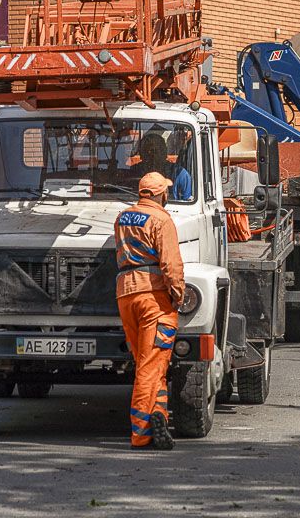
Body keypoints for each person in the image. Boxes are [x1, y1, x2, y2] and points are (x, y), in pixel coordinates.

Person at [115, 172, 184, 450]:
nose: (167, 195)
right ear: (158, 194)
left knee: (150, 364)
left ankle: (159, 418)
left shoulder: (122, 218)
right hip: (154, 298)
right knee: (150, 366)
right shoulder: (161, 219)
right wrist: (177, 294)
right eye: (165, 191)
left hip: (126, 295)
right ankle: (141, 433)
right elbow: (171, 264)